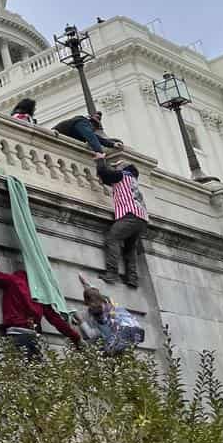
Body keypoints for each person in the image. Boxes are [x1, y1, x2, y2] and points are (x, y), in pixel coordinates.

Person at [0, 252, 82, 358]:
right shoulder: (40, 293)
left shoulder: (13, 281)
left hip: (16, 333)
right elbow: (56, 320)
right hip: (33, 337)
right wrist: (75, 337)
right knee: (38, 371)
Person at [95, 157, 148, 287]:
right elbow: (108, 179)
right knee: (130, 248)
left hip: (130, 215)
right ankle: (132, 278)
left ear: (122, 168)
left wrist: (100, 160)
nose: (114, 168)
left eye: (116, 166)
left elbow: (104, 172)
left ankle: (112, 273)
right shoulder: (132, 180)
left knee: (112, 238)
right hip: (141, 219)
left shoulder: (121, 175)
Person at [75, 276, 144, 355]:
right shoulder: (108, 303)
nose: (88, 307)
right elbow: (95, 295)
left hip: (117, 343)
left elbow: (91, 334)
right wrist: (86, 285)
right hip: (132, 333)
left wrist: (81, 321)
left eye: (88, 304)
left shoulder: (101, 318)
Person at [53, 111, 122, 154]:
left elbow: (96, 138)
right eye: (94, 129)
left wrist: (113, 144)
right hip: (53, 137)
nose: (93, 131)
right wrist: (100, 153)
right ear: (92, 124)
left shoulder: (83, 127)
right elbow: (91, 137)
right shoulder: (82, 122)